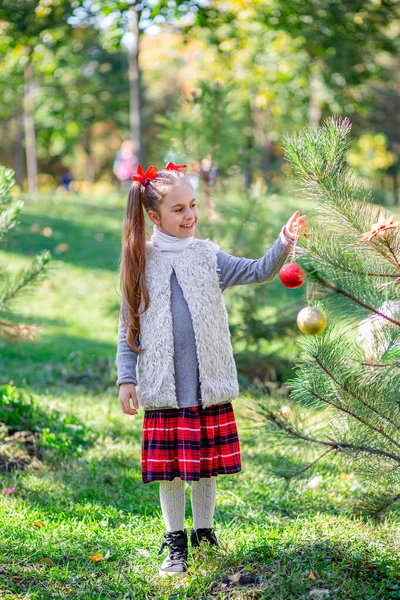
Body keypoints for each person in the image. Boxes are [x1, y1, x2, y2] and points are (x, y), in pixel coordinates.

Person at [115, 161, 308, 578]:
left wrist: (283, 241)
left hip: (207, 385)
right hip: (164, 387)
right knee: (171, 471)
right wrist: (126, 377)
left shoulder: (208, 256)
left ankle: (204, 533)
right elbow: (127, 326)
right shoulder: (140, 262)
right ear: (154, 217)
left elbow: (257, 270)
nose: (190, 216)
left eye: (193, 206)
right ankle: (175, 540)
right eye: (179, 209)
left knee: (204, 465)